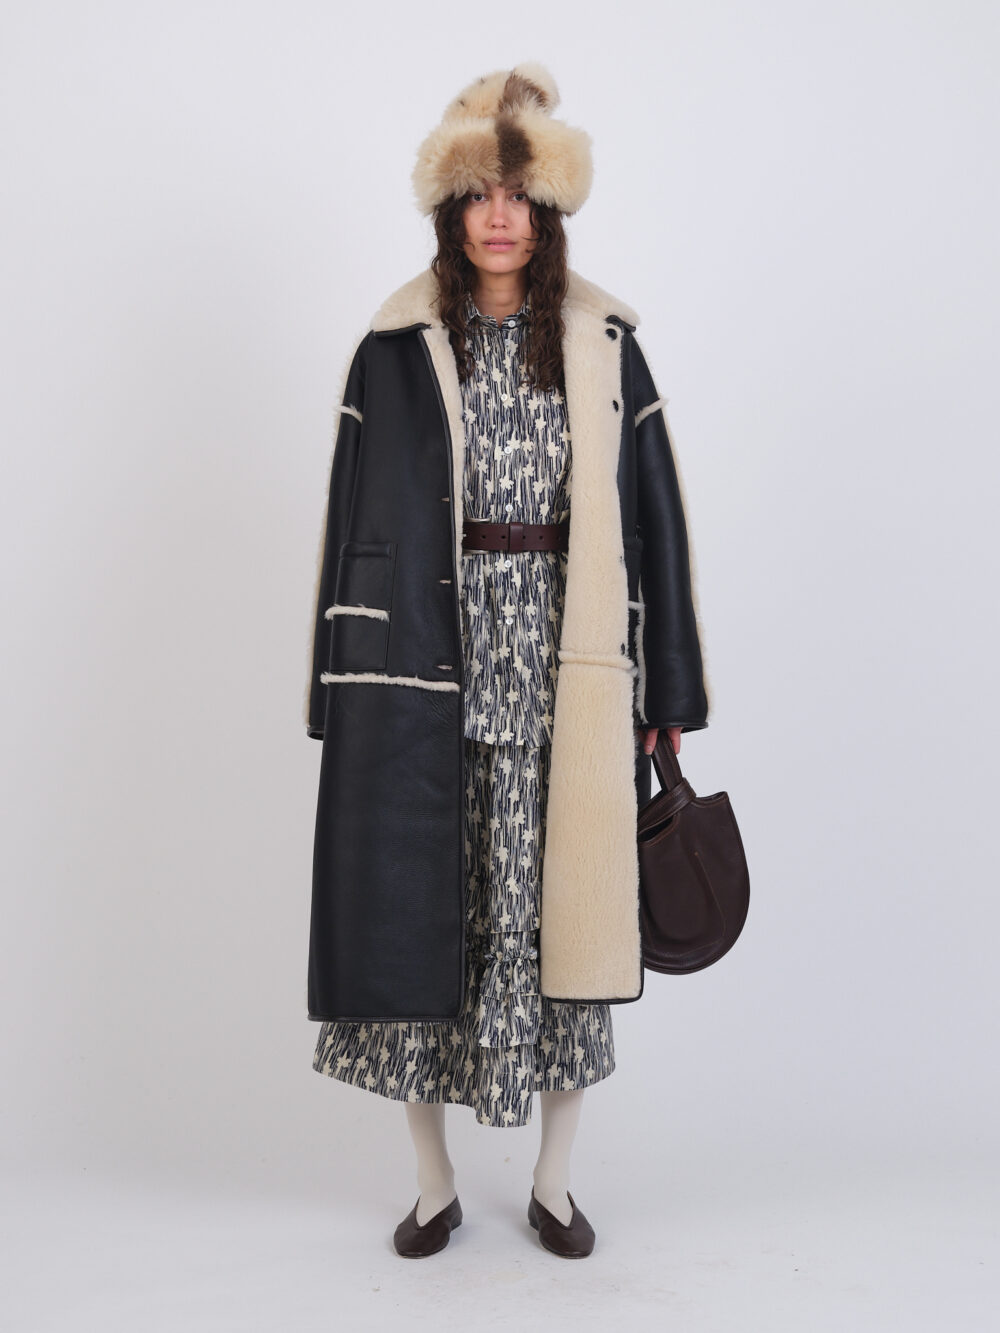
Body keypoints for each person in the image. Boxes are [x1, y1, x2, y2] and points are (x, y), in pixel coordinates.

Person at [303, 61, 710, 1259]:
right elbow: (349, 523)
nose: (499, 216)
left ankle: (555, 1180)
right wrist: (334, 690)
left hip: (566, 678)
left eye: (519, 196)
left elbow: (656, 523)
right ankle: (432, 1183)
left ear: (548, 211)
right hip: (426, 675)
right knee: (424, 922)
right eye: (479, 193)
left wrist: (668, 689)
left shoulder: (603, 344)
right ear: (451, 208)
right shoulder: (394, 347)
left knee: (562, 931)